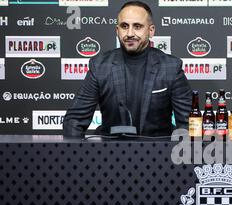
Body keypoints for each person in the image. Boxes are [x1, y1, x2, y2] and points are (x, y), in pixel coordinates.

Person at [63, 1, 192, 137]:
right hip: (109, 152)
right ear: (117, 30)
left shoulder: (171, 67)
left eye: (137, 26)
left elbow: (189, 123)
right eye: (124, 26)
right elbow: (74, 121)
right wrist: (80, 156)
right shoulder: (100, 66)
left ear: (151, 30)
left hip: (158, 152)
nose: (130, 33)